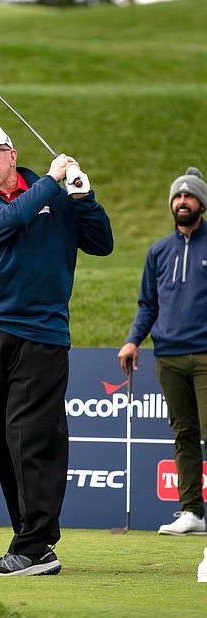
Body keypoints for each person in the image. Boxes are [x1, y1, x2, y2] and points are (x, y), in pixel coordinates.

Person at [0, 124, 113, 576]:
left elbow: (101, 244)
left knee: (31, 437)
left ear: (12, 154)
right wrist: (51, 181)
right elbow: (8, 221)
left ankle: (34, 547)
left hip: (41, 336)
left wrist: (84, 197)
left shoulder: (58, 198)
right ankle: (30, 536)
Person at [118, 166, 207, 536]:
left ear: (201, 204)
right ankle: (193, 512)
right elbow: (148, 305)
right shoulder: (158, 251)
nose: (182, 201)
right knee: (184, 433)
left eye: (190, 196)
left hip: (205, 355)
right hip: (168, 356)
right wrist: (133, 340)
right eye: (178, 196)